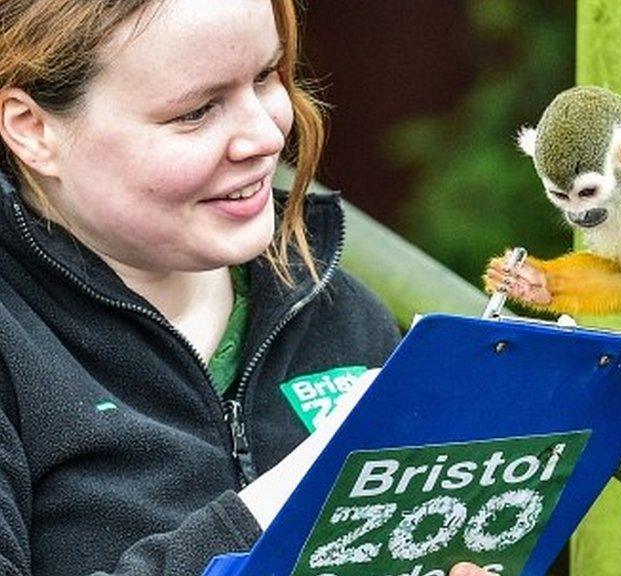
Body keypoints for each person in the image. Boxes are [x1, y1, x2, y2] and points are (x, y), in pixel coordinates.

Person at [0, 1, 495, 575]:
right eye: (196, 112)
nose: (263, 136)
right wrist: (290, 499)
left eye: (266, 76)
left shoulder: (340, 313)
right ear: (31, 128)